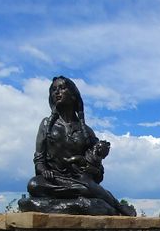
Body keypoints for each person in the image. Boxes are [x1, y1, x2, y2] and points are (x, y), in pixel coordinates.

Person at [25, 76, 135, 216]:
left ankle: (117, 206)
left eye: (62, 88)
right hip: (53, 180)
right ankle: (90, 202)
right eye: (54, 90)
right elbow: (39, 160)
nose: (57, 92)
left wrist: (95, 160)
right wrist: (44, 170)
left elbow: (97, 171)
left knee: (87, 186)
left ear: (73, 95)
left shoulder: (86, 131)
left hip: (79, 180)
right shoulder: (46, 125)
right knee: (33, 185)